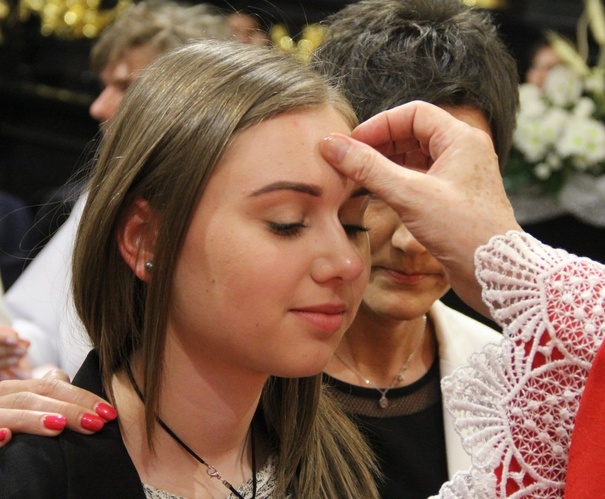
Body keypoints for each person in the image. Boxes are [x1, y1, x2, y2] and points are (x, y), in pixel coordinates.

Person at [0, 40, 380, 497]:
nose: (346, 262)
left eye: (353, 224)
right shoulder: (38, 478)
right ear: (145, 240)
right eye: (287, 224)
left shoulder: (344, 461)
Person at [321, 101, 605, 497]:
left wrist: (515, 267)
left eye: (446, 193)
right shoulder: (269, 372)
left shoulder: (528, 387)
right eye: (375, 193)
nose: (411, 239)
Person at [311, 0, 517, 495]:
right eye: (383, 190)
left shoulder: (515, 382)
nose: (412, 241)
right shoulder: (240, 375)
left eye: (449, 193)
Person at [2, 0, 231, 380]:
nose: (98, 106)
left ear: (192, 100)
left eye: (125, 86)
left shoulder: (223, 208)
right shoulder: (101, 194)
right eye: (103, 85)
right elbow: (38, 324)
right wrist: (15, 350)